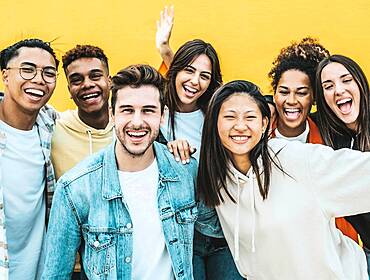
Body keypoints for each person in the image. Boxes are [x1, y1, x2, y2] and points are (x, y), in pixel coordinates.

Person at [198, 80, 370, 279]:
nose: (240, 126)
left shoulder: (297, 160)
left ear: (264, 124)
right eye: (230, 117)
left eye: (250, 117)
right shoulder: (217, 177)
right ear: (214, 123)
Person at [42, 64, 198, 279]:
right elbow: (55, 274)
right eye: (127, 110)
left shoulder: (186, 171)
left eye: (148, 110)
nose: (137, 122)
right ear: (111, 114)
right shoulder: (75, 188)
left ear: (163, 115)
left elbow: (208, 243)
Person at [155, 8, 243, 279]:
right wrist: (164, 48)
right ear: (175, 70)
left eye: (204, 76)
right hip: (183, 234)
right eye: (189, 71)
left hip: (222, 232)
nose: (195, 81)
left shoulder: (216, 111)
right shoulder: (155, 112)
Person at [268, 38, 359, 242]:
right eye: (283, 92)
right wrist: (265, 105)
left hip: (333, 250)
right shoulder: (260, 134)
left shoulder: (331, 133)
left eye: (302, 93)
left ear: (314, 98)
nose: (292, 101)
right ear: (274, 95)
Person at [0, 38, 59, 279]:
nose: (38, 79)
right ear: (5, 76)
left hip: (37, 271)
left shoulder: (50, 124)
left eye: (49, 73)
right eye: (27, 69)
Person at [315, 54, 370, 277]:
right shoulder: (323, 134)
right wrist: (268, 107)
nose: (338, 90)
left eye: (346, 80)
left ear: (361, 83)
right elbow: (286, 111)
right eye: (328, 86)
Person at [51, 44, 113, 180]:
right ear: (69, 90)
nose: (87, 84)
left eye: (95, 76)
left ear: (109, 82)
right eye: (76, 80)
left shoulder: (129, 127)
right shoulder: (53, 130)